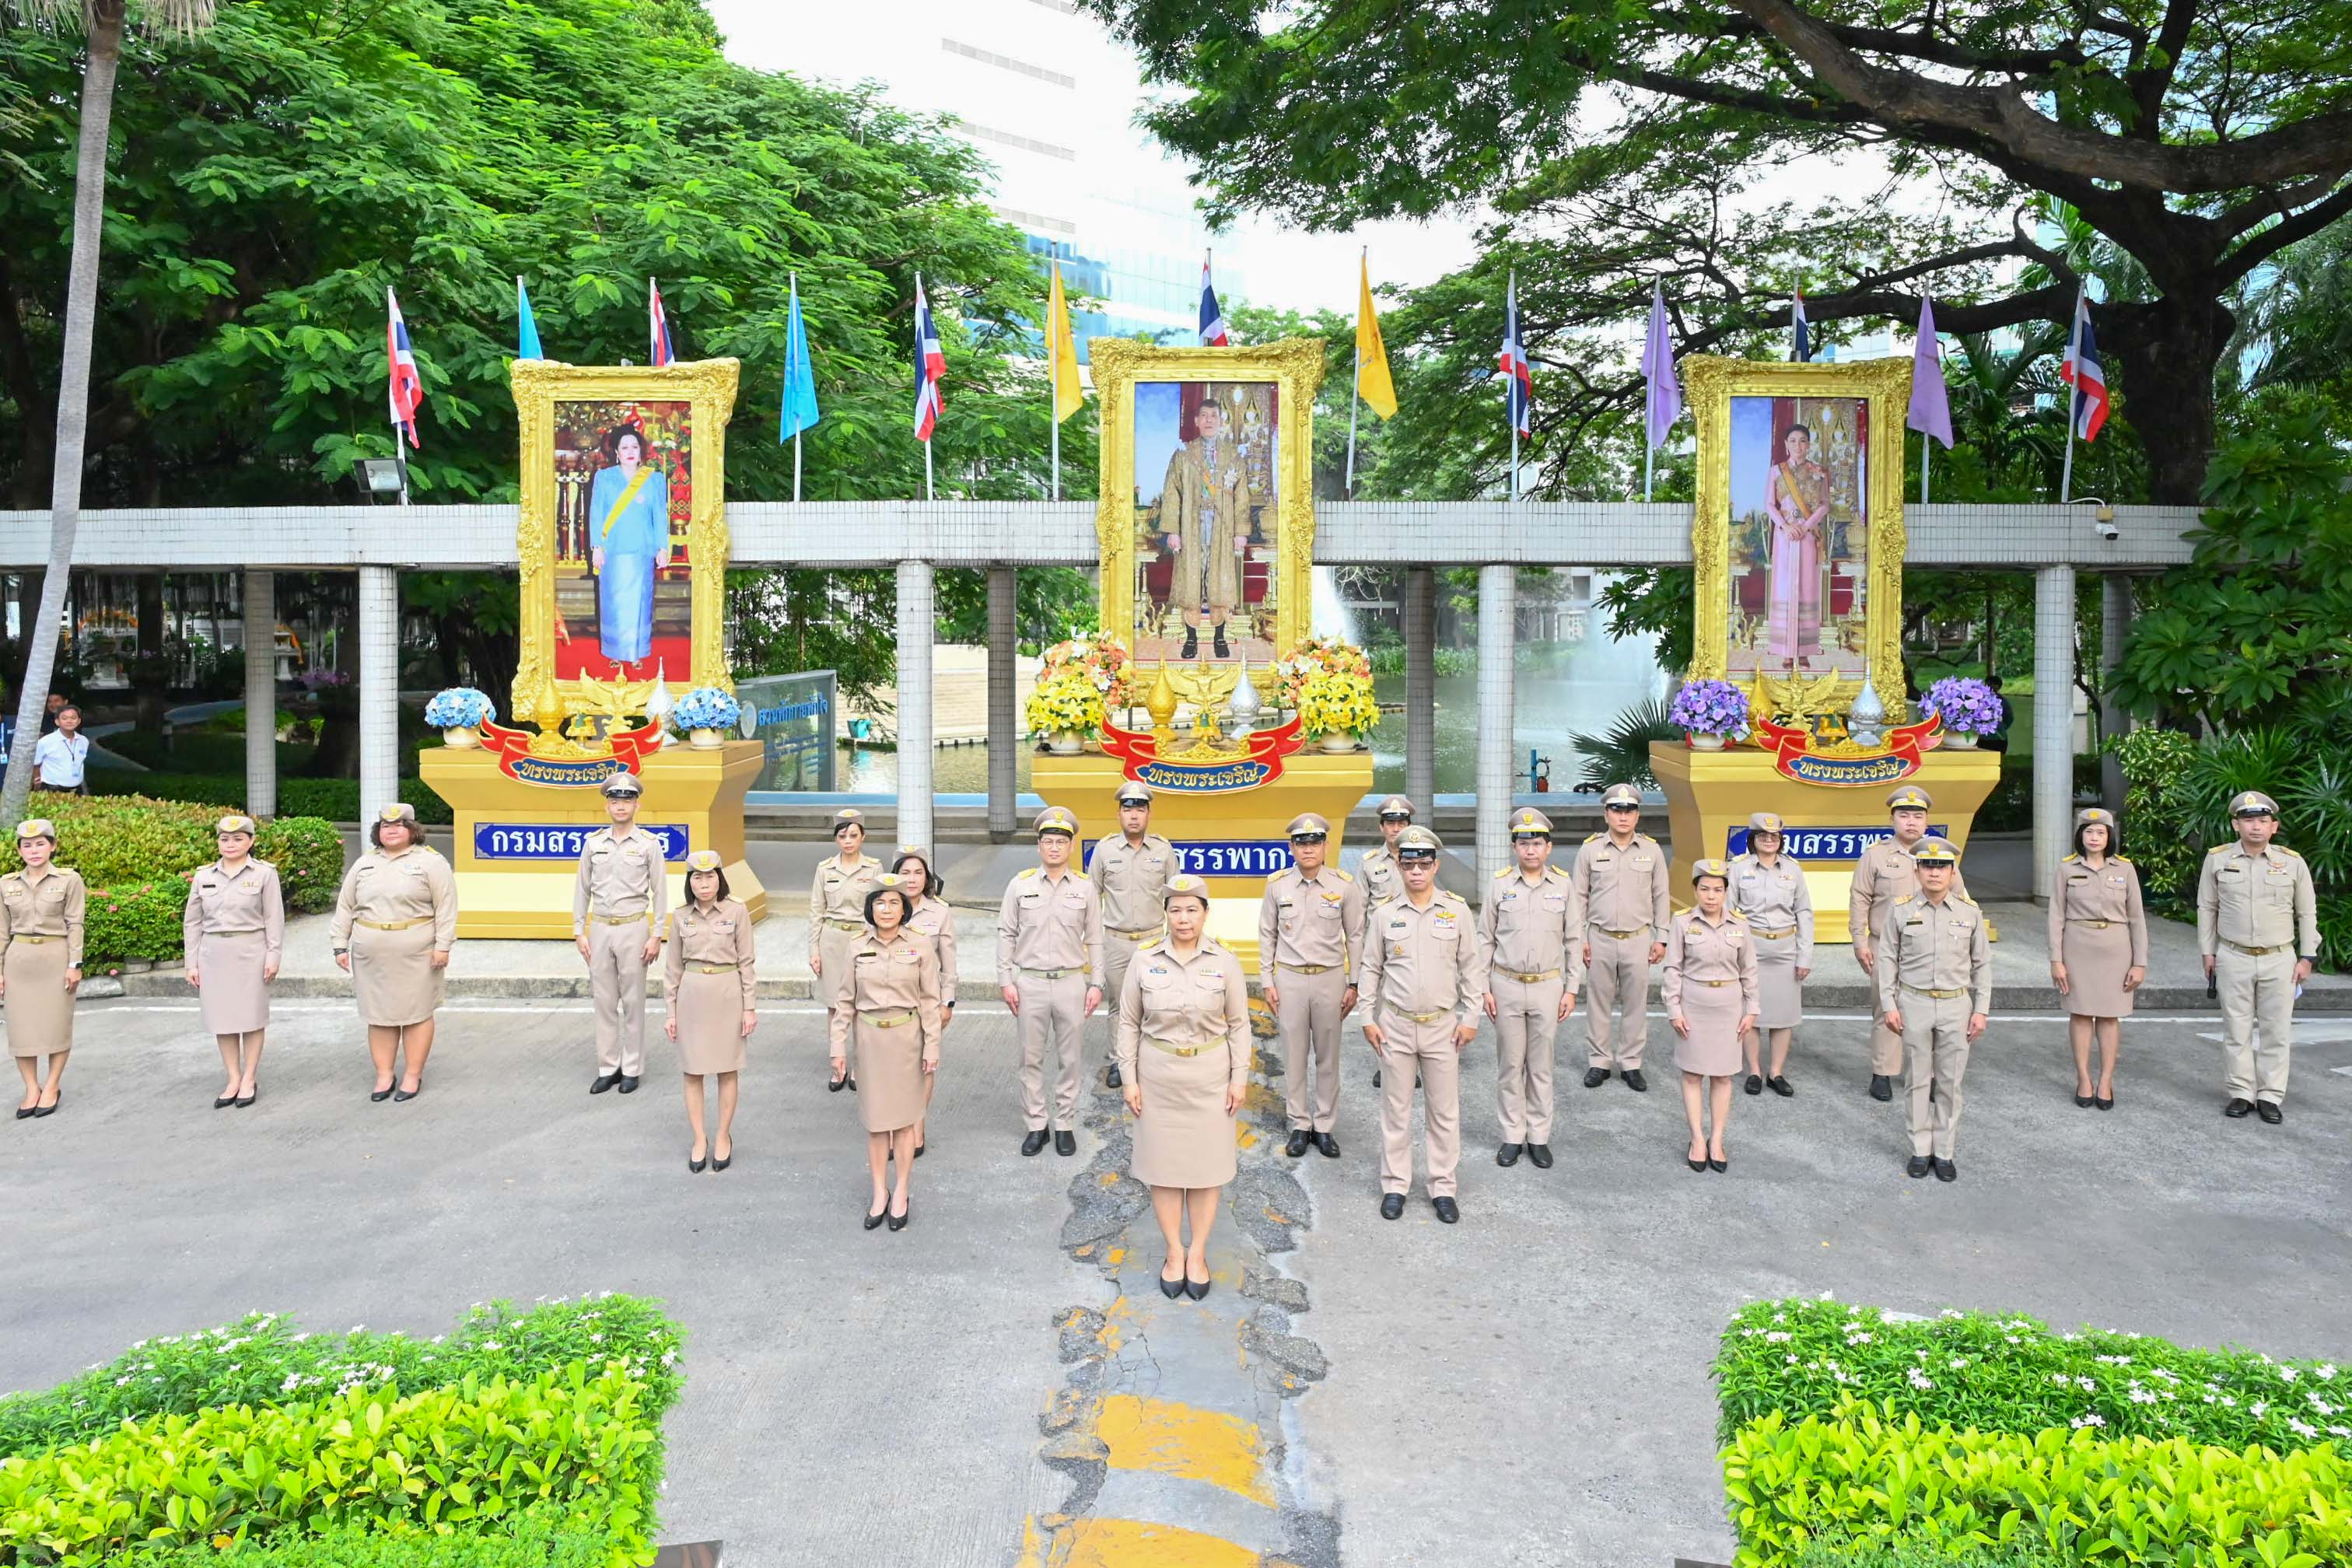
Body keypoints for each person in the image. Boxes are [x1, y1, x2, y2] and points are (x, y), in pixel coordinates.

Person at [1117, 873, 1249, 1300]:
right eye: (1176, 909)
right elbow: (1128, 1023)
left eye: (1192, 909)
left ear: (1205, 914)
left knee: (1206, 1172)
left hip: (1211, 1079)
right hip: (1159, 1078)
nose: (1184, 918)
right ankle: (1175, 1251)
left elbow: (1238, 1025)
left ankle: (1199, 1253)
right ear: (1166, 914)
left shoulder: (1225, 962)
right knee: (1165, 1171)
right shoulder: (1144, 960)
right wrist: (1130, 1078)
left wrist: (1239, 1077)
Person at [1359, 826, 1486, 1223]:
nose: (1416, 871)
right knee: (1396, 1110)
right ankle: (1395, 1185)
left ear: (1436, 866)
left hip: (1442, 1027)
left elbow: (1471, 968)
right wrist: (1366, 1016)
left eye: (1424, 863)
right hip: (1395, 1024)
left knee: (1444, 1112)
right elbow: (1370, 968)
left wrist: (1472, 1017)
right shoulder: (1384, 915)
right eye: (1408, 863)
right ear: (1398, 865)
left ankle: (1443, 1187)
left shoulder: (1457, 911)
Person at [2197, 791, 2319, 1125]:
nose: (2256, 827)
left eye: (2263, 821)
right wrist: (2208, 952)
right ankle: (2241, 1092)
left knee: (2276, 1031)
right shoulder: (2219, 859)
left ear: (2274, 826)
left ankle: (2269, 1095)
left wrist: (2307, 956)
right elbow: (2207, 908)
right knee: (2236, 1028)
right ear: (2237, 824)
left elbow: (2307, 912)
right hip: (2232, 954)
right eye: (2249, 820)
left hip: (2280, 957)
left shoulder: (2292, 862)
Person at [833, 873, 942, 1230]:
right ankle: (880, 1190)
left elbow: (930, 1001)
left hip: (908, 1039)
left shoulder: (921, 945)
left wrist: (932, 1046)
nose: (887, 909)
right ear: (870, 907)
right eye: (880, 902)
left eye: (895, 902)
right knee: (877, 1122)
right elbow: (844, 1001)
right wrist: (838, 1049)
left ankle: (902, 1191)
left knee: (906, 1121)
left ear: (904, 908)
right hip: (870, 1041)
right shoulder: (856, 945)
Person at [329, 803, 458, 1102]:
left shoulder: (431, 862)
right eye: (386, 826)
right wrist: (339, 943)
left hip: (417, 951)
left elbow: (446, 907)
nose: (392, 830)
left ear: (413, 830)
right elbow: (346, 906)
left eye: (399, 825)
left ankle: (413, 1074)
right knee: (379, 1015)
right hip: (371, 952)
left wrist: (443, 946)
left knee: (417, 1014)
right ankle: (384, 1074)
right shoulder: (365, 863)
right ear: (378, 831)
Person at [1877, 838, 1989, 1181]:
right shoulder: (1901, 909)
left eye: (1942, 866)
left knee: (1951, 1082)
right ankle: (1919, 1149)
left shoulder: (1969, 913)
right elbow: (1886, 958)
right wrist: (1888, 1005)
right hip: (1914, 1003)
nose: (1935, 872)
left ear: (1953, 871)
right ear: (1917, 870)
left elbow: (1982, 964)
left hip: (1957, 1004)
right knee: (1917, 1081)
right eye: (1928, 865)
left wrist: (1981, 1009)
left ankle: (1944, 1152)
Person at [1850, 785, 1969, 1103]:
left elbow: (1962, 903)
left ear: (1927, 820)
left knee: (1928, 1011)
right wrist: (1860, 941)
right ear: (1892, 819)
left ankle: (1926, 1075)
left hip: (1930, 948)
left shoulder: (1939, 857)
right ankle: (1883, 1073)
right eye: (1904, 815)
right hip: (1884, 946)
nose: (1911, 822)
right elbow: (1859, 899)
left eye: (1918, 816)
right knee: (1885, 1009)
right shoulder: (1875, 856)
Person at [1479, 807, 1581, 1169]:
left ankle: (1538, 1136)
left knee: (1540, 1067)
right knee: (1509, 1063)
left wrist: (1571, 989)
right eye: (1524, 844)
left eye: (1537, 843)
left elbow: (1573, 940)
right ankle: (1511, 1135)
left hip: (1547, 986)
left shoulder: (1563, 886)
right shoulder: (1500, 884)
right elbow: (1485, 939)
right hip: (1505, 984)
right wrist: (1483, 988)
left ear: (1549, 847)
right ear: (1514, 847)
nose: (1531, 850)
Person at [1258, 812, 1365, 1159]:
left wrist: (1355, 983)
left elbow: (1356, 936)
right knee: (1293, 1054)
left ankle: (1324, 1126)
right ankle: (1300, 1124)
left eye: (1315, 842)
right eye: (1301, 843)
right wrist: (1266, 979)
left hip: (1330, 978)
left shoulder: (1344, 886)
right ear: (1292, 847)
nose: (1308, 849)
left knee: (1328, 1056)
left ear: (1326, 846)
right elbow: (1267, 934)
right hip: (1289, 978)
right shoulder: (1277, 886)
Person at [997, 806, 1101, 1157]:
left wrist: (1097, 982)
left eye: (1061, 842)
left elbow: (1096, 938)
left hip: (1072, 982)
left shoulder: (1086, 888)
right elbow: (1006, 933)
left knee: (1070, 1059)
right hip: (1031, 983)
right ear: (1039, 847)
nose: (1054, 848)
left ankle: (1065, 1124)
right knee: (1030, 1058)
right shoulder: (1020, 884)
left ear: (1071, 847)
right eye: (1048, 842)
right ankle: (1036, 1124)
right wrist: (1005, 980)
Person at [181, 815, 285, 1109]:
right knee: (222, 1020)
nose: (230, 844)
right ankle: (233, 1078)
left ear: (251, 841)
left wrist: (273, 955)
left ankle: (250, 1078)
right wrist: (192, 962)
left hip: (251, 951)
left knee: (252, 1018)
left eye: (238, 838)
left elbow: (273, 918)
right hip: (214, 954)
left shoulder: (264, 874)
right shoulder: (204, 876)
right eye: (224, 839)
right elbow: (193, 922)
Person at [573, 771, 666, 1096]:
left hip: (633, 926)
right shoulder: (593, 843)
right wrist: (578, 930)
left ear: (637, 805)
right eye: (615, 801)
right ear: (608, 806)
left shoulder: (649, 845)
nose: (621, 807)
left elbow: (660, 891)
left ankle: (632, 1068)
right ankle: (607, 1066)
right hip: (600, 927)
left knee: (633, 1000)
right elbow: (582, 889)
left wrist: (657, 934)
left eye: (626, 801)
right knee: (604, 1000)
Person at [1664, 860, 1759, 1174]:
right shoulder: (1681, 922)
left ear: (1726, 892)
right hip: (1694, 1004)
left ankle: (1717, 1139)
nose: (1710, 896)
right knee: (1692, 1074)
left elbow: (1749, 971)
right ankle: (1697, 1139)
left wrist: (1752, 1009)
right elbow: (1673, 968)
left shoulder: (1740, 924)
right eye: (1704, 889)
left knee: (1722, 1076)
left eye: (1718, 890)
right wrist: (1674, 1009)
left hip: (1729, 1008)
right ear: (1694, 890)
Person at [2049, 807, 2147, 1110]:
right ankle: (2083, 1078)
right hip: (2077, 947)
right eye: (2089, 832)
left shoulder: (2125, 869)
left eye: (2101, 832)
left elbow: (2137, 919)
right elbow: (2056, 917)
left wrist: (2139, 963)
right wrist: (2056, 960)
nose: (2094, 837)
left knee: (2108, 1016)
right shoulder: (2067, 869)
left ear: (2110, 836)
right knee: (2079, 1014)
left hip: (2116, 949)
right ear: (2080, 836)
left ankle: (2106, 1080)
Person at [1573, 782, 1670, 1091]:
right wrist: (1579, 938)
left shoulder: (1651, 850)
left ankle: (1630, 1063)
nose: (1623, 816)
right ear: (1606, 813)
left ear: (1638, 815)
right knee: (1598, 1002)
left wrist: (1662, 936)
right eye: (1617, 810)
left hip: (1638, 937)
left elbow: (1661, 896)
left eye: (1629, 810)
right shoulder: (1590, 849)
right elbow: (1578, 897)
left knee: (1636, 1004)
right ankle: (1599, 1061)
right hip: (1599, 936)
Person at [665, 849, 756, 1173]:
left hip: (727, 993)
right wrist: (670, 1012)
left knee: (726, 1069)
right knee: (692, 1070)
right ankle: (699, 1138)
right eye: (698, 878)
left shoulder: (737, 910)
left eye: (710, 876)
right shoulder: (679, 916)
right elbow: (673, 967)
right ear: (691, 882)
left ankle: (722, 1135)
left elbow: (746, 962)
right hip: (691, 996)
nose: (705, 884)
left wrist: (750, 1008)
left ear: (720, 878)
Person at [1090, 781, 1175, 1090]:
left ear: (1149, 814)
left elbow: (1174, 899)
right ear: (1119, 815)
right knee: (1118, 1005)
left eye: (1140, 809)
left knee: (1156, 1002)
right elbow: (1092, 898)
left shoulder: (1163, 850)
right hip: (1116, 941)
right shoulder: (1104, 850)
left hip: (1153, 941)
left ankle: (1151, 1059)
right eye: (1128, 810)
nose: (1134, 816)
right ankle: (1118, 1060)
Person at [1159, 394, 1258, 659]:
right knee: (1191, 579)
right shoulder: (1183, 455)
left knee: (1221, 580)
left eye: (1213, 416)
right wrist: (1173, 531)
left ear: (1221, 421)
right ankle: (1190, 639)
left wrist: (1240, 533)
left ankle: (1219, 638)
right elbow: (1171, 493)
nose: (1209, 420)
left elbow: (1242, 497)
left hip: (1222, 527)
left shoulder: (1233, 457)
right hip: (1192, 525)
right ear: (1196, 421)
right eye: (1204, 416)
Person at [2, 819, 84, 1118]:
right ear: (19, 850)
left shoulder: (68, 879)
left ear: (53, 846)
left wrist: (75, 964)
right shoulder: (6, 883)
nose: (34, 850)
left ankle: (51, 1085)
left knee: (56, 1026)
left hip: (55, 956)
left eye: (40, 844)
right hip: (19, 959)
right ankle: (31, 1088)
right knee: (21, 1029)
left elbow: (75, 923)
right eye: (27, 845)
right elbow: (1, 930)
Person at [1729, 812, 1812, 1097]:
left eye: (1774, 836)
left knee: (1784, 1015)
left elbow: (1804, 913)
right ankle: (1754, 1070)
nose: (1768, 840)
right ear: (1753, 839)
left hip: (1786, 949)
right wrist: (1732, 952)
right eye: (1762, 836)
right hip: (1752, 947)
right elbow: (1729, 913)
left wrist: (1805, 956)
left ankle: (1776, 1072)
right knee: (1751, 1011)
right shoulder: (1738, 868)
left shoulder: (1793, 869)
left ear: (1781, 840)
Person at [810, 807, 883, 1090]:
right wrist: (813, 950)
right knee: (834, 1005)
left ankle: (859, 1066)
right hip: (832, 940)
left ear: (863, 837)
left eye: (854, 835)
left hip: (863, 938)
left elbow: (879, 907)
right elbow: (816, 910)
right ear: (836, 839)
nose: (848, 840)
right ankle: (837, 1065)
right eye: (843, 836)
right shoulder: (825, 869)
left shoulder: (874, 868)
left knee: (861, 1005)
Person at [589, 425, 671, 668]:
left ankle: (636, 652)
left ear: (641, 450)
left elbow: (660, 515)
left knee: (639, 602)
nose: (630, 451)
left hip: (641, 550)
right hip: (612, 550)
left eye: (634, 447)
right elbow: (597, 514)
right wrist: (597, 546)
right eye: (624, 447)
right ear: (616, 452)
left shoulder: (653, 478)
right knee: (613, 602)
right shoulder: (604, 478)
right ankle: (614, 651)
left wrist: (662, 547)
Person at [894, 847, 956, 1156]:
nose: (912, 879)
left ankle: (917, 1124)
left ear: (927, 877)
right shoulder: (886, 908)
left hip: (927, 1003)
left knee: (924, 1066)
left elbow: (949, 963)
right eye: (905, 872)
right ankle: (896, 1123)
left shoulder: (939, 912)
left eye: (918, 872)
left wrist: (949, 1003)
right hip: (891, 1003)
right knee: (895, 1068)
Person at [1763, 423, 1830, 666]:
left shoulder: (1819, 471)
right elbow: (1770, 504)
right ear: (1786, 444)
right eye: (1793, 441)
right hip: (1785, 536)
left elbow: (1824, 504)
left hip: (1807, 535)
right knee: (1784, 588)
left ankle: (1803, 651)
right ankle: (1785, 650)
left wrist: (1806, 526)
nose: (1798, 446)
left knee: (1806, 588)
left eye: (1802, 441)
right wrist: (1785, 526)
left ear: (1809, 444)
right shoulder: (1776, 472)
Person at [1358, 796, 1415, 907]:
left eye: (1401, 824)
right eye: (1390, 824)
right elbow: (1360, 905)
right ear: (1381, 827)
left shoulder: (1420, 861)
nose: (1396, 829)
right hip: (1378, 923)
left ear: (1409, 827)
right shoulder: (1368, 862)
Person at [32, 704, 88, 794]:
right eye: (64, 718)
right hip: (52, 789)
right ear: (57, 722)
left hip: (77, 789)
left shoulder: (84, 741)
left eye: (73, 718)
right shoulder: (45, 741)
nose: (69, 721)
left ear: (79, 721)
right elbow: (35, 763)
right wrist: (37, 779)